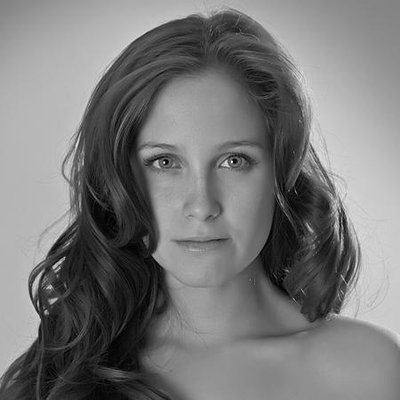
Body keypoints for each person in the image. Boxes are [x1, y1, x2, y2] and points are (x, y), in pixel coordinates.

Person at [1, 8, 399, 400]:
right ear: (118, 178)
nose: (202, 206)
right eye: (164, 162)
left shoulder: (368, 371)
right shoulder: (54, 377)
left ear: (283, 172)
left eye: (234, 161)